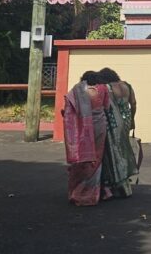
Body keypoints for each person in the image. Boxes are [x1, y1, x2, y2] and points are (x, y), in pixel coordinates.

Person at [63, 71, 111, 206]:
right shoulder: (102, 90)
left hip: (81, 128)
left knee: (82, 158)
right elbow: (107, 107)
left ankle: (77, 191)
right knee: (96, 158)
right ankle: (92, 193)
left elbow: (68, 109)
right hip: (100, 127)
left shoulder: (77, 91)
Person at [98, 68, 139, 199]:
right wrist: (132, 119)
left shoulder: (108, 87)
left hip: (114, 121)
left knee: (114, 151)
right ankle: (125, 179)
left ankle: (117, 179)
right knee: (124, 147)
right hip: (126, 118)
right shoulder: (127, 86)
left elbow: (106, 106)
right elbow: (133, 103)